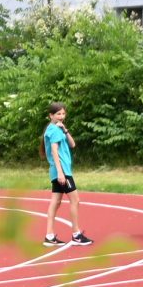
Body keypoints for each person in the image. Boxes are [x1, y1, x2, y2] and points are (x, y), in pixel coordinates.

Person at [42, 104, 90, 245]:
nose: (61, 117)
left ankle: (49, 236)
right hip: (62, 171)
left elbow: (73, 144)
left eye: (63, 114)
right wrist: (61, 173)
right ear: (51, 115)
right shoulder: (54, 131)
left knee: (55, 202)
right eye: (58, 114)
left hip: (58, 171)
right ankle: (76, 234)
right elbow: (54, 151)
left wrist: (65, 130)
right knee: (75, 200)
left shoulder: (57, 129)